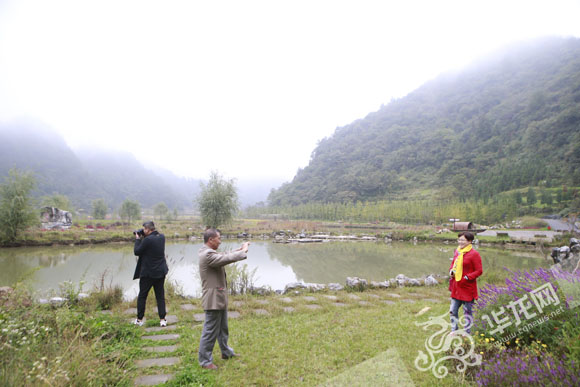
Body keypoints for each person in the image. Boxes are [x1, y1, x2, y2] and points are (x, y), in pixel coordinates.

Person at [198, 228, 249, 370]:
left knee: (222, 327)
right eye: (218, 238)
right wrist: (243, 251)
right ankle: (205, 361)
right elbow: (225, 258)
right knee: (210, 331)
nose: (220, 241)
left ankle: (226, 351)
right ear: (211, 240)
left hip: (218, 296)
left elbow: (224, 254)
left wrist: (238, 249)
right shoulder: (207, 255)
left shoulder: (208, 252)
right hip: (213, 298)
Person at [133, 221, 168, 327]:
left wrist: (138, 239)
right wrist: (143, 236)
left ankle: (139, 320)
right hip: (160, 272)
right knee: (160, 296)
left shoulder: (147, 240)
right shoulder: (162, 237)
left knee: (142, 296)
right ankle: (162, 319)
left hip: (148, 273)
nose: (143, 231)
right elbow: (150, 246)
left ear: (148, 229)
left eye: (144, 229)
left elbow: (137, 251)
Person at [448, 231, 482, 334]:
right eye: (459, 240)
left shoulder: (474, 254)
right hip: (456, 286)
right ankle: (454, 330)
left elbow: (479, 271)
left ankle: (468, 332)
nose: (460, 242)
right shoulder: (457, 252)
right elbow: (453, 264)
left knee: (467, 312)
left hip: (467, 288)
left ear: (470, 241)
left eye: (463, 240)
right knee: (453, 311)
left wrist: (467, 277)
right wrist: (451, 271)